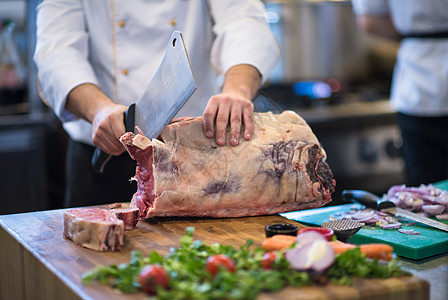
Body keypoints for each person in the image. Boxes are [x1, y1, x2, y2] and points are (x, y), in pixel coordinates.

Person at [34, 0, 280, 208]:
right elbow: (56, 50)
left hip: (196, 156)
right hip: (105, 158)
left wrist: (238, 89)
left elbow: (244, 20)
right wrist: (98, 109)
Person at [352, 0, 448, 186]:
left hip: (418, 82)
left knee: (427, 197)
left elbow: (370, 21)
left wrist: (419, 35)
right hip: (417, 87)